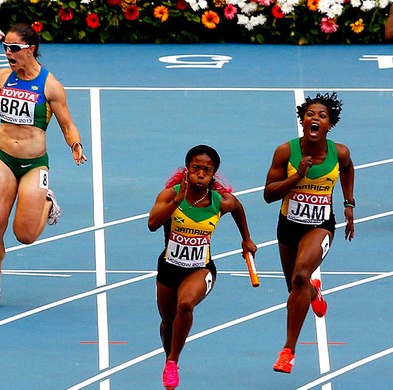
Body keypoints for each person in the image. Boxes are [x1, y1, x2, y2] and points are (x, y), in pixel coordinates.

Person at [0, 24, 87, 309]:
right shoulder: (3, 77)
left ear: (30, 49)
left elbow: (67, 123)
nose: (8, 53)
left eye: (14, 48)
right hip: (4, 160)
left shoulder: (50, 86)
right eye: (5, 47)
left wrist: (75, 144)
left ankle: (47, 202)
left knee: (26, 235)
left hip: (34, 165)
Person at [148, 145, 257, 390]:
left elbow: (238, 207)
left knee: (185, 304)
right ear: (187, 170)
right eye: (195, 167)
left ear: (213, 174)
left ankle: (173, 362)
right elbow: (152, 224)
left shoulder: (220, 202)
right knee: (167, 323)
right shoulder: (169, 195)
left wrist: (246, 239)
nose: (200, 173)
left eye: (206, 170)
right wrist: (176, 201)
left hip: (201, 268)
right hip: (169, 268)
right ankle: (169, 358)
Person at [264, 92, 354, 374]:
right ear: (303, 121)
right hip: (288, 226)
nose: (315, 118)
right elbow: (268, 194)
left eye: (322, 116)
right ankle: (314, 293)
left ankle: (288, 351)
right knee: (295, 288)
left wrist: (348, 203)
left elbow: (349, 169)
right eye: (311, 114)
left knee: (301, 274)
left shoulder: (339, 153)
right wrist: (296, 177)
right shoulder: (285, 152)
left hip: (320, 226)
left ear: (329, 125)